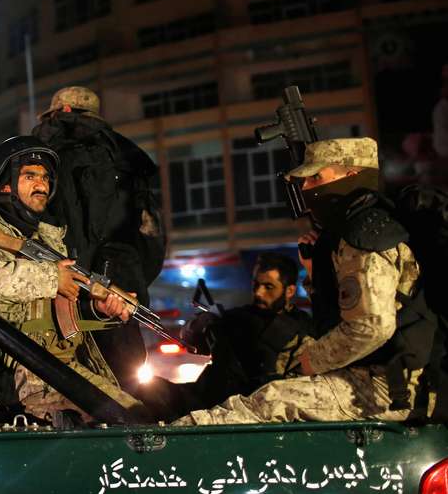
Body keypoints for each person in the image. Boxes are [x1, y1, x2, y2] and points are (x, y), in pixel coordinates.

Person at [173, 137, 433, 425]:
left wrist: (311, 360)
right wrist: (314, 272)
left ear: (351, 175)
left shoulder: (364, 235)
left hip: (389, 387)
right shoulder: (363, 228)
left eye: (315, 178)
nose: (306, 190)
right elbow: (346, 311)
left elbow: (370, 326)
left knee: (268, 402)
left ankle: (164, 450)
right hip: (384, 377)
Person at [0, 136, 146, 423]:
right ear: (5, 184)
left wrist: (98, 308)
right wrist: (53, 276)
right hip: (15, 376)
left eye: (45, 177)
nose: (42, 185)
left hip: (57, 367)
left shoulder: (47, 237)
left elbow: (58, 307)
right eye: (30, 176)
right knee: (124, 424)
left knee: (138, 415)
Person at [33, 86, 165, 393]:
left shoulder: (37, 150)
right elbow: (152, 236)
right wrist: (129, 281)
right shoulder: (130, 157)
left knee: (59, 393)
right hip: (116, 294)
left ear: (60, 111)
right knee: (126, 396)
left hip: (53, 294)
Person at [178, 253, 315, 411]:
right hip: (218, 406)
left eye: (268, 287)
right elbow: (190, 338)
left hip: (269, 409)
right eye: (256, 285)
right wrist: (205, 322)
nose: (258, 293)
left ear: (289, 291)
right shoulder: (237, 318)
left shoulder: (303, 327)